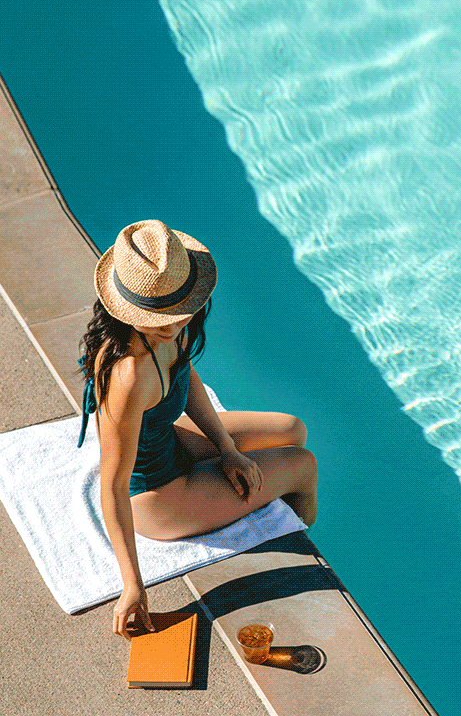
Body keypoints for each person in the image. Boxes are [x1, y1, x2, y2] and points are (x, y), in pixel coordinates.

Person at [77, 220, 317, 640]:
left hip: (170, 441)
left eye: (176, 313)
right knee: (303, 466)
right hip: (157, 495)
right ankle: (297, 544)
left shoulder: (173, 322)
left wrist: (227, 449)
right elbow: (113, 486)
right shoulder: (129, 376)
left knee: (291, 429)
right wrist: (133, 584)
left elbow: (187, 381)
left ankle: (264, 505)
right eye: (157, 317)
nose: (171, 327)